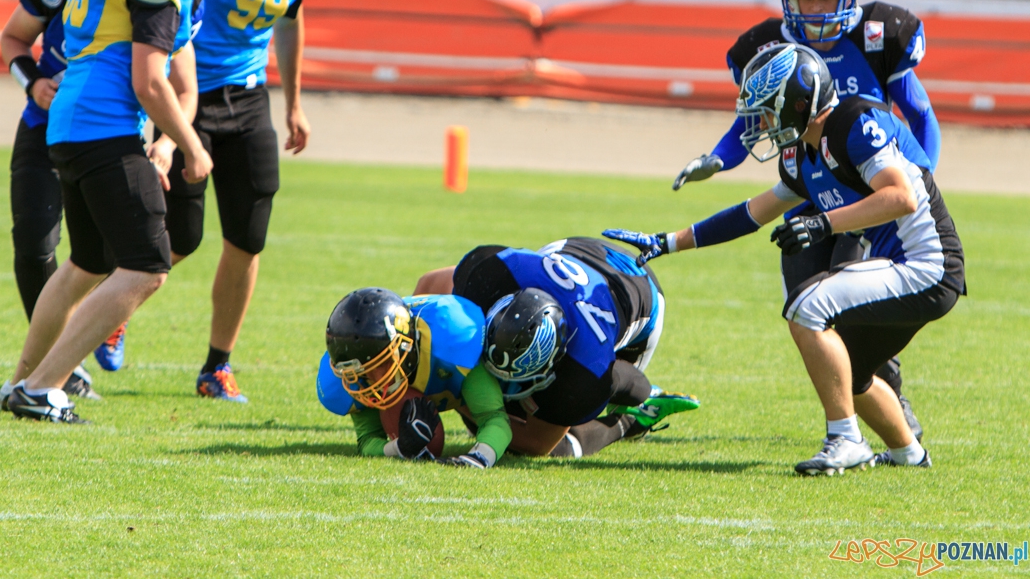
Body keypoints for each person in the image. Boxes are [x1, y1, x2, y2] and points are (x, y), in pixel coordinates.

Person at [609, 43, 964, 474]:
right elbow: (751, 213)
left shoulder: (854, 123)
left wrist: (821, 224)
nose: (761, 124)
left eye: (767, 112)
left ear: (798, 103)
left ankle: (845, 439)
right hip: (905, 266)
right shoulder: (802, 155)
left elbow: (900, 196)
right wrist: (668, 242)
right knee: (848, 368)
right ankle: (909, 454)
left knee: (806, 306)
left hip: (927, 264)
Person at [672, 0, 938, 439]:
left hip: (865, 199)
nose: (814, 10)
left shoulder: (879, 35)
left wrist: (919, 181)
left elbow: (920, 114)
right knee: (803, 308)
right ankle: (850, 425)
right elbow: (751, 123)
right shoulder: (766, 46)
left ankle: (886, 413)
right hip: (805, 193)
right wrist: (719, 159)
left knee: (856, 313)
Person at [0, 0, 227, 422]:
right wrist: (190, 146)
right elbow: (150, 82)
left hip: (68, 123)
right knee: (147, 267)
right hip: (103, 125)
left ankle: (21, 380)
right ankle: (42, 387)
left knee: (86, 263)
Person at [147, 0, 331, 404]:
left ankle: (217, 367)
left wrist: (293, 102)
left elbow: (290, 20)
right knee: (179, 237)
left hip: (249, 96)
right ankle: (115, 305)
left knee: (248, 239)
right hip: (188, 93)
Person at [0, 0, 142, 399]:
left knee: (115, 254)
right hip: (46, 125)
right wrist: (34, 82)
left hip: (110, 133)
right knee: (34, 241)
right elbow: (13, 38)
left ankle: (84, 340)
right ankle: (53, 366)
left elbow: (165, 74)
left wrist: (166, 139)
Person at [415, 237, 699, 459]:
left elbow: (538, 442)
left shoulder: (584, 367)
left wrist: (456, 398)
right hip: (581, 250)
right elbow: (429, 284)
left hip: (642, 293)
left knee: (539, 443)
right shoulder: (497, 275)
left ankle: (630, 419)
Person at [317, 288, 512, 468]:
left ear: (404, 346)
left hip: (500, 364)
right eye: (363, 372)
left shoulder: (450, 343)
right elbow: (367, 441)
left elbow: (494, 419)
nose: (374, 380)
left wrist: (480, 457)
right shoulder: (351, 375)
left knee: (527, 443)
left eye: (382, 364)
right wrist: (399, 448)